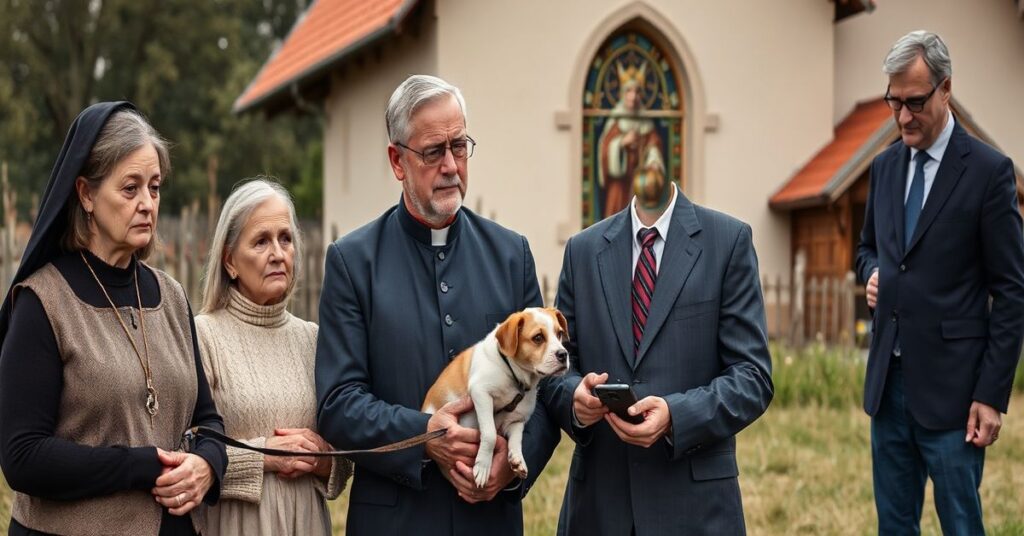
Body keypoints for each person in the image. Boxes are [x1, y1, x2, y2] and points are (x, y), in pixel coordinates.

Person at [314, 74, 560, 535]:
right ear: (397, 161)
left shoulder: (511, 255)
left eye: (460, 146)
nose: (451, 165)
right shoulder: (353, 262)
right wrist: (423, 437)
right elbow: (338, 404)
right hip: (396, 520)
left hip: (490, 521)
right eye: (433, 151)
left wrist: (509, 468)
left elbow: (545, 390)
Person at [0, 102, 227, 535]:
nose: (147, 204)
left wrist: (208, 464)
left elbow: (207, 418)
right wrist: (137, 465)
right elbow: (22, 457)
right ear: (85, 193)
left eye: (155, 188)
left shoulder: (172, 296)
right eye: (130, 189)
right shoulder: (42, 303)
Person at [542, 164, 773, 533]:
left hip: (695, 510)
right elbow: (553, 370)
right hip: (599, 509)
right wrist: (574, 398)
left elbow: (753, 378)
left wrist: (676, 416)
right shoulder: (582, 251)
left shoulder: (729, 241)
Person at [856, 30, 1024, 534]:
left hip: (956, 398)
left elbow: (1013, 290)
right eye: (894, 102)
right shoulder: (883, 168)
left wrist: (991, 395)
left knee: (961, 526)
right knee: (894, 526)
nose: (903, 116)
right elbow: (867, 248)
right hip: (888, 389)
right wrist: (871, 275)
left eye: (915, 101)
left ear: (946, 88)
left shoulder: (990, 173)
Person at [195, 179, 352, 535]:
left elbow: (343, 465)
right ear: (230, 260)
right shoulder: (204, 336)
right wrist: (263, 454)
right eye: (261, 241)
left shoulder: (313, 339)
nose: (278, 253)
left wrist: (323, 462)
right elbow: (185, 450)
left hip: (308, 524)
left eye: (285, 238)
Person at [597, 61, 666, 219]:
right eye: (628, 91)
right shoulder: (615, 120)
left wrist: (654, 160)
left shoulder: (646, 122)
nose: (633, 96)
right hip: (619, 186)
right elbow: (604, 150)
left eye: (637, 91)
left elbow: (654, 144)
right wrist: (621, 143)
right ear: (622, 93)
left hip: (641, 187)